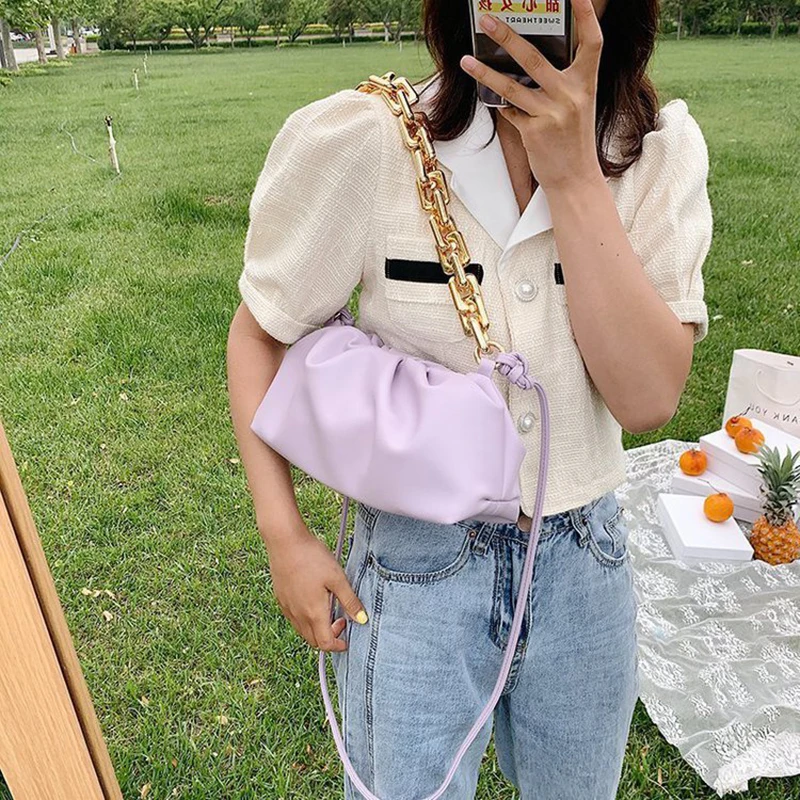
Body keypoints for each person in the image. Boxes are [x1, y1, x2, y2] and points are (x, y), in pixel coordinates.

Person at [226, 0, 712, 795]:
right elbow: (260, 336)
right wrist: (285, 537)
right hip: (416, 568)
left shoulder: (653, 153)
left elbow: (647, 398)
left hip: (585, 564)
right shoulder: (373, 140)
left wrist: (573, 178)